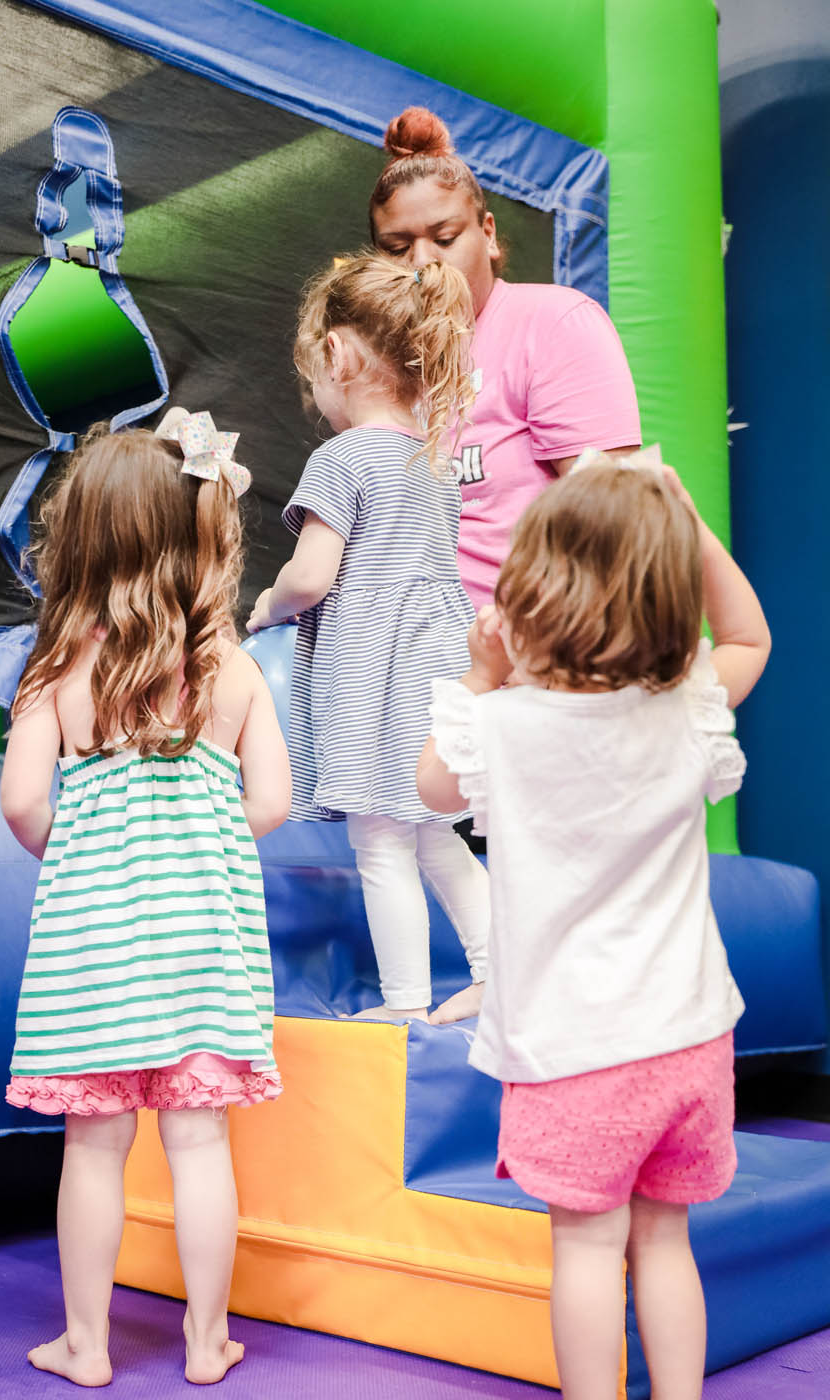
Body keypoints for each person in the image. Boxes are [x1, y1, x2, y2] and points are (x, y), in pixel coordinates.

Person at [417, 451, 771, 1400]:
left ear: (529, 594)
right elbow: (749, 634)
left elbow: (428, 785)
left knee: (585, 1249)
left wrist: (482, 673)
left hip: (576, 1054)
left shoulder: (503, 727)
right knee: (665, 1239)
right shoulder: (687, 710)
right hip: (690, 1041)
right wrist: (686, 522)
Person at [0, 414, 291, 1389]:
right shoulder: (231, 670)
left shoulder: (57, 672)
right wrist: (198, 838)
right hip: (202, 948)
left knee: (94, 1147)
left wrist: (75, 847)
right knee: (200, 1139)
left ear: (79, 542)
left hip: (94, 951)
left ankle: (87, 1343)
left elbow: (22, 801)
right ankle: (207, 1340)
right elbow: (273, 802)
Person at [246, 253, 490, 1025]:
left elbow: (313, 576)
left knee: (381, 841)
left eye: (314, 374)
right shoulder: (434, 459)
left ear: (341, 356)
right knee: (434, 833)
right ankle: (497, 973)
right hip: (438, 663)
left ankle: (405, 1005)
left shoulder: (341, 457)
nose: (316, 396)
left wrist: (266, 604)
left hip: (375, 671)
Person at [368, 107, 642, 613]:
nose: (424, 262)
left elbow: (622, 523)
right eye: (397, 247)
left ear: (489, 235)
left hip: (534, 655)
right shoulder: (380, 369)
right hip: (418, 665)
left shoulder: (554, 323)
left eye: (444, 239)